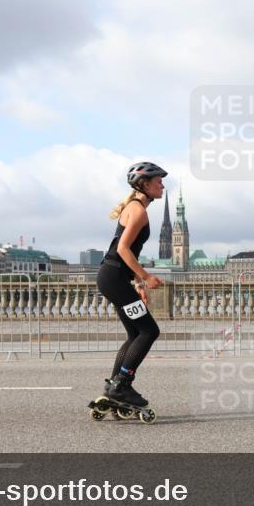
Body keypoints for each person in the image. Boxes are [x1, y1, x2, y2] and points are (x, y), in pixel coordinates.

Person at [95, 162, 167, 415]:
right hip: (113, 277)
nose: (162, 186)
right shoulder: (138, 211)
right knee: (149, 331)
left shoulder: (135, 207)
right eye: (159, 182)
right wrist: (146, 277)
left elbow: (128, 252)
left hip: (114, 277)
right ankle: (121, 385)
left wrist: (136, 283)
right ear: (144, 185)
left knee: (135, 333)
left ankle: (114, 388)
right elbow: (123, 249)